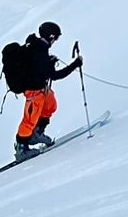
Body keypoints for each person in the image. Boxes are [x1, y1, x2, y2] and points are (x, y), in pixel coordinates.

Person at [8, 21, 82, 161]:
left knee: (50, 104)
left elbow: (37, 66)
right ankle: (21, 149)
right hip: (33, 91)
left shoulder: (38, 47)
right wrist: (75, 65)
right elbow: (55, 75)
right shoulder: (39, 51)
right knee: (29, 119)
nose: (56, 41)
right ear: (51, 36)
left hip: (41, 88)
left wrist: (49, 62)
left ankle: (36, 134)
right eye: (56, 38)